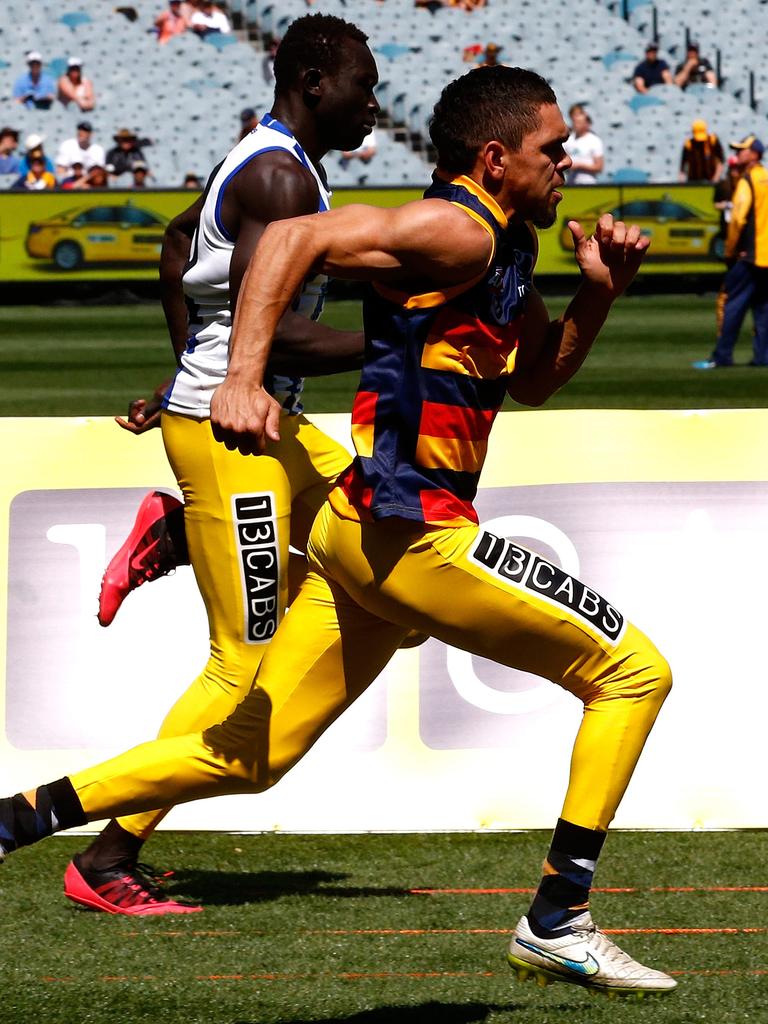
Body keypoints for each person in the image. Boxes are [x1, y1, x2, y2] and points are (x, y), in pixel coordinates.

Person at [0, 65, 676, 999]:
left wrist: (600, 293)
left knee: (246, 757)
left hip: (365, 537)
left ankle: (16, 820)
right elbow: (289, 235)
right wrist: (241, 377)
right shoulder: (456, 228)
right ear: (494, 157)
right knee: (635, 674)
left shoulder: (507, 243)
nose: (570, 162)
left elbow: (531, 382)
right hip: (417, 537)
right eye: (552, 149)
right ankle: (559, 917)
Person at [37, 12, 376, 918]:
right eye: (361, 85)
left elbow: (176, 240)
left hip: (255, 430)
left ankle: (180, 533)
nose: (372, 103)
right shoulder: (277, 173)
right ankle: (106, 859)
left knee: (374, 528)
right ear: (314, 83)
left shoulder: (268, 159)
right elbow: (283, 331)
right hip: (236, 441)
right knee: (242, 664)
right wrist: (390, 344)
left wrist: (191, 364)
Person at [695, 134, 768, 368]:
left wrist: (730, 250)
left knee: (732, 304)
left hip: (749, 255)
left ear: (755, 153)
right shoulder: (766, 177)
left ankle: (722, 356)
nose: (738, 154)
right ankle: (762, 357)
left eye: (742, 150)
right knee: (763, 308)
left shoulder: (747, 181)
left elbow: (737, 219)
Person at [564, 104, 603, 185]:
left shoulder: (594, 140)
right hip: (571, 184)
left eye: (579, 122)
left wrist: (579, 166)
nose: (576, 124)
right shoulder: (569, 139)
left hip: (588, 184)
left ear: (586, 123)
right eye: (574, 122)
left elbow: (599, 166)